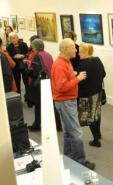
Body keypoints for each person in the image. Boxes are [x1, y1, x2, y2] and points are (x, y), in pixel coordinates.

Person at [51, 38, 95, 169]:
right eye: (73, 48)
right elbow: (61, 87)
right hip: (65, 102)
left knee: (68, 132)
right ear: (66, 50)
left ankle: (69, 157)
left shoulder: (65, 62)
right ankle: (80, 162)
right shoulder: (60, 65)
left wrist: (73, 75)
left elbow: (64, 80)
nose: (76, 50)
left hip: (66, 101)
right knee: (76, 133)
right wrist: (77, 79)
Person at [25, 39, 62, 131]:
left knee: (38, 106)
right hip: (49, 82)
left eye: (32, 46)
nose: (31, 47)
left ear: (35, 47)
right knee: (52, 105)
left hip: (41, 84)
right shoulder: (48, 54)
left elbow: (35, 72)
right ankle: (58, 125)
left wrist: (28, 70)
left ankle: (36, 125)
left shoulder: (37, 56)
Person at [78, 43, 106, 147]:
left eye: (80, 52)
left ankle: (96, 140)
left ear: (85, 52)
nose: (79, 54)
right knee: (96, 113)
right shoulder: (97, 60)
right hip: (98, 92)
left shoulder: (82, 65)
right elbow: (104, 74)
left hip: (87, 94)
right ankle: (98, 134)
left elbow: (80, 80)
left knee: (90, 117)